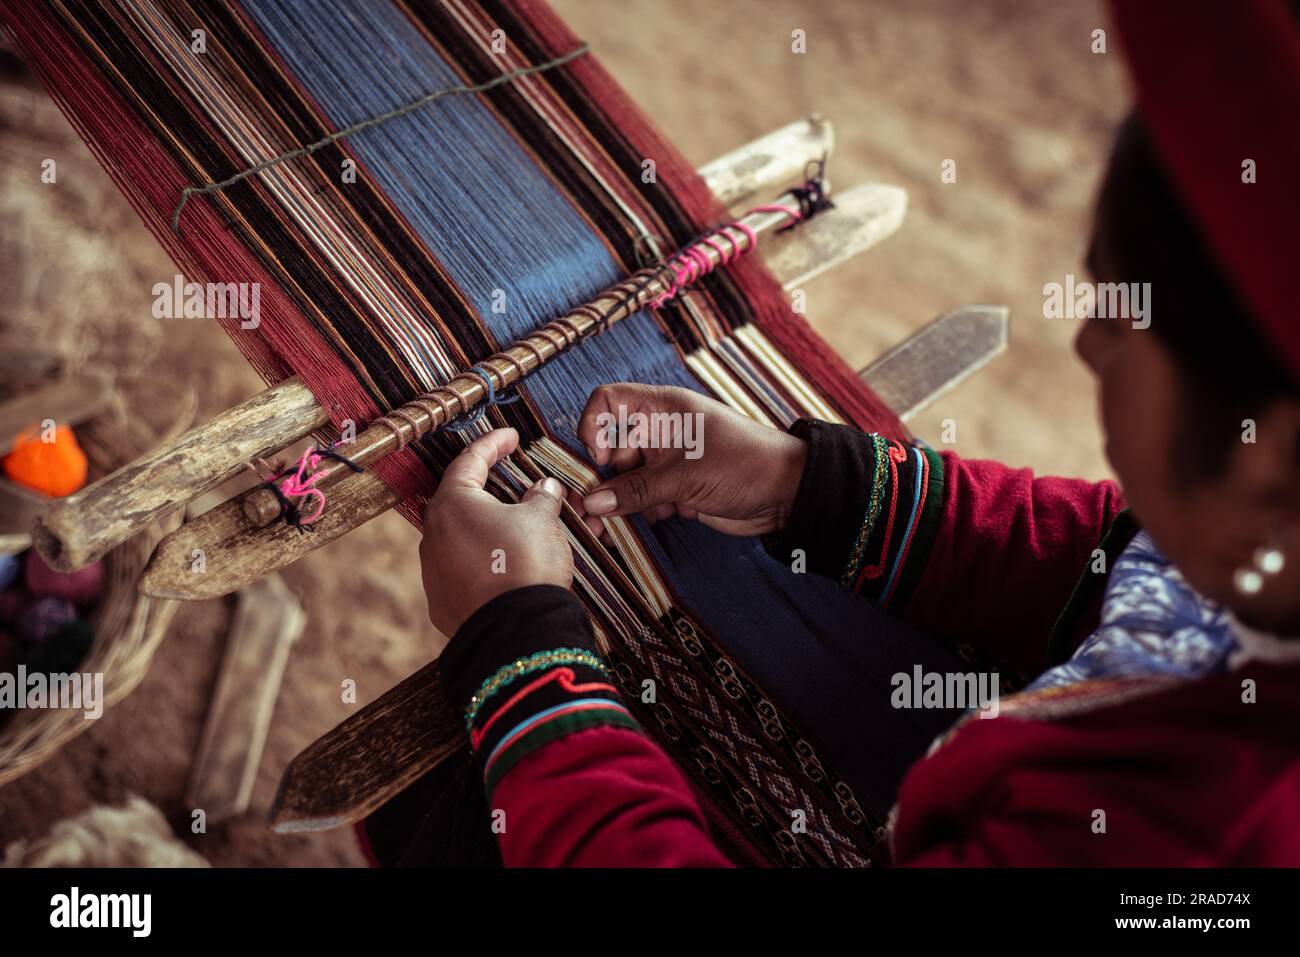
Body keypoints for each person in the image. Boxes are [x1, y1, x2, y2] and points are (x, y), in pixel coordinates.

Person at [394, 2, 1300, 866]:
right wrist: (808, 483)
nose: (1087, 337)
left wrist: (522, 657)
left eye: (1121, 309)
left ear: (1266, 459)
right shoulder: (1254, 560)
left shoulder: (1190, 844)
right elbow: (1110, 559)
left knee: (461, 820)